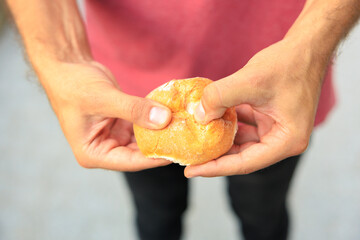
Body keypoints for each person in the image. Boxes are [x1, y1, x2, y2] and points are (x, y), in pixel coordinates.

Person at [6, 0, 360, 239]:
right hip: (126, 98)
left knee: (263, 216)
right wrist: (61, 60)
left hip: (279, 85)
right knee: (156, 217)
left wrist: (310, 48)